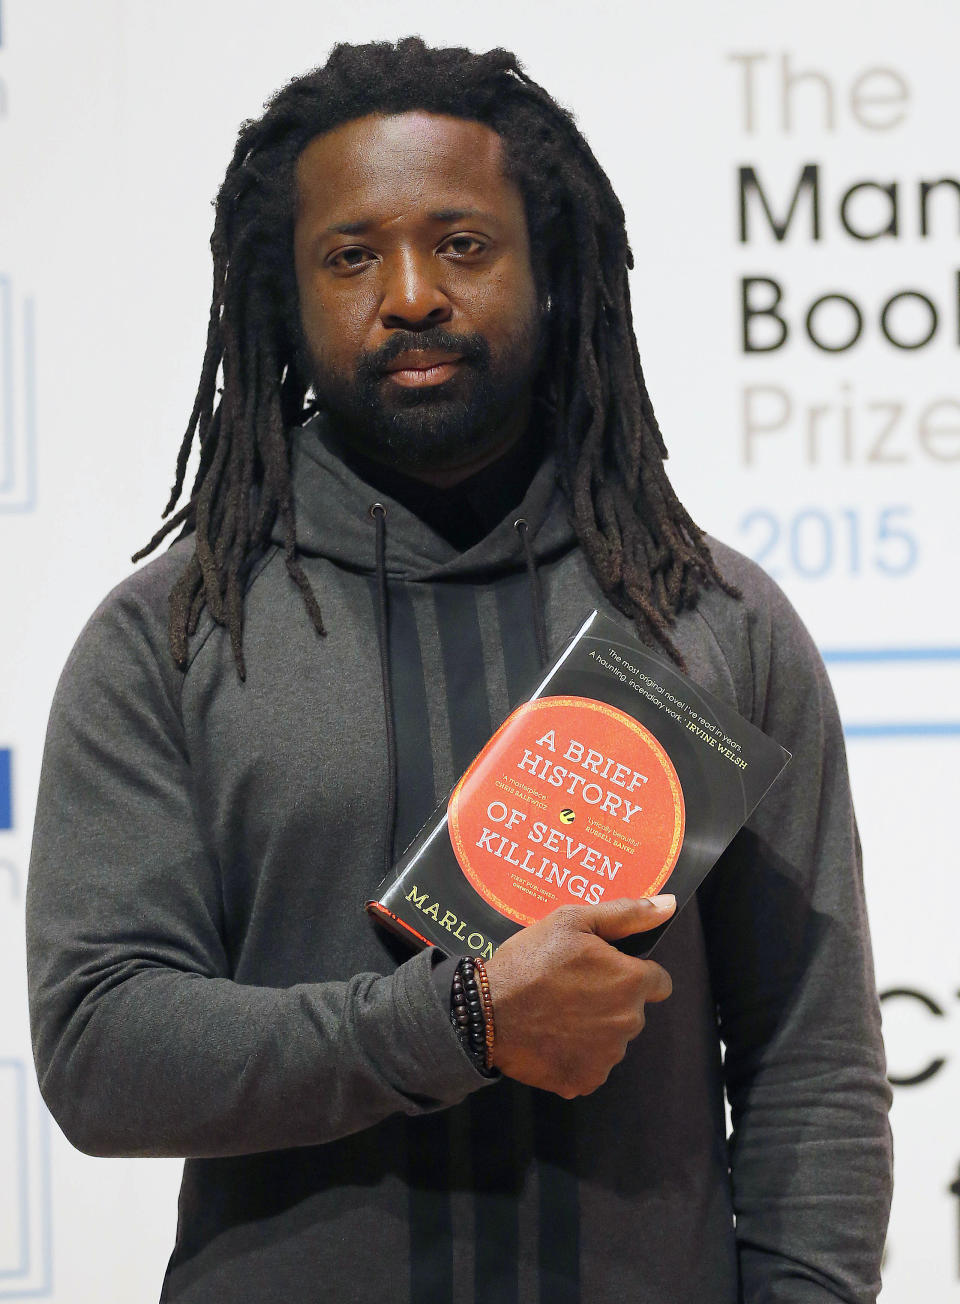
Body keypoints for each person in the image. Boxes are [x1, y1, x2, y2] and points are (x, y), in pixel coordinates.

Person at [26, 37, 892, 1304]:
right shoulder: (168, 638)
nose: (413, 292)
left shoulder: (715, 624)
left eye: (464, 243)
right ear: (285, 293)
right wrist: (460, 1023)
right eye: (353, 254)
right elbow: (102, 1048)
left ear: (554, 274)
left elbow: (811, 1069)